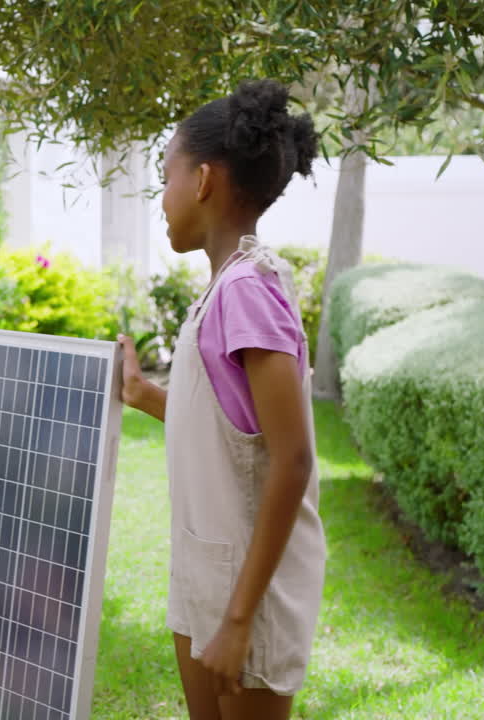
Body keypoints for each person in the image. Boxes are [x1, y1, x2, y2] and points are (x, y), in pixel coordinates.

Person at [117, 79, 327, 720]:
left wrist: (238, 620)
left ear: (203, 181)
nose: (162, 199)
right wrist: (145, 395)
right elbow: (232, 427)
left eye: (166, 177)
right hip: (208, 574)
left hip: (247, 595)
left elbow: (292, 460)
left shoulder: (246, 291)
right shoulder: (223, 289)